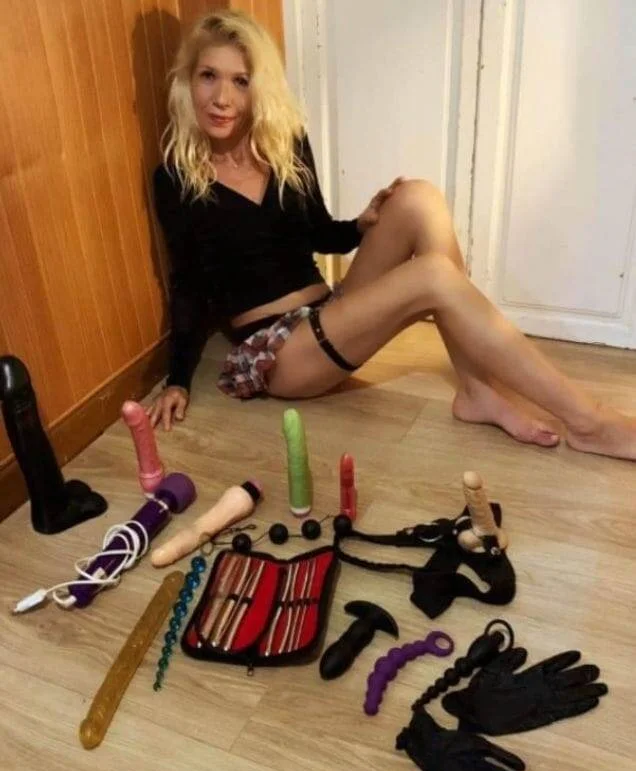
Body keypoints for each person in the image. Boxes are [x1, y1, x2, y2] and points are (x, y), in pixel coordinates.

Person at [148, 9, 636, 461]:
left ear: (259, 89)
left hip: (326, 312)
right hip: (279, 353)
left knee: (418, 198)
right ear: (188, 82)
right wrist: (178, 379)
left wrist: (359, 226)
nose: (222, 98)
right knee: (433, 276)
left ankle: (476, 390)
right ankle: (589, 421)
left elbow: (317, 232)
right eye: (208, 76)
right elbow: (187, 284)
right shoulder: (175, 179)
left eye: (240, 80)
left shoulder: (284, 144)